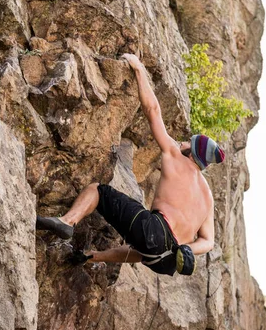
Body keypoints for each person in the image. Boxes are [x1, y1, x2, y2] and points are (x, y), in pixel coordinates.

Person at [36, 54, 225, 276]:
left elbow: (152, 110)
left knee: (98, 190)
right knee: (149, 240)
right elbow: (206, 242)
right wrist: (186, 249)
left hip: (157, 234)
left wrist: (138, 69)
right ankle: (91, 255)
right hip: (167, 261)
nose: (182, 142)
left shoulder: (176, 155)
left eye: (187, 142)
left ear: (191, 153)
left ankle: (67, 221)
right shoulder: (208, 198)